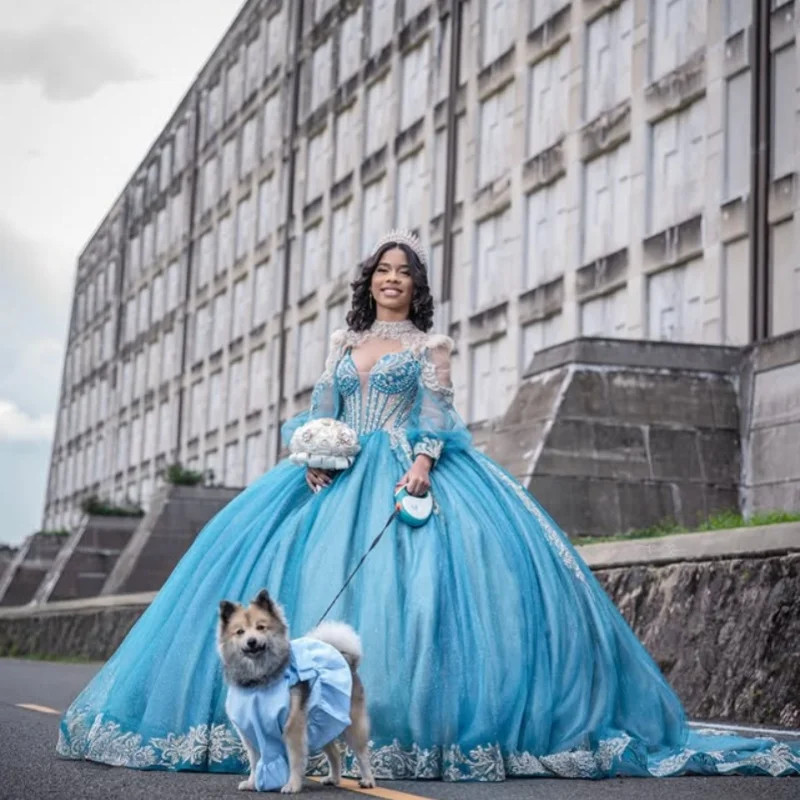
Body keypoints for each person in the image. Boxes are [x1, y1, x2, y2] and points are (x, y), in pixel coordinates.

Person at [58, 229, 800, 781]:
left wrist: (418, 464)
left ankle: (401, 730)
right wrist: (314, 457)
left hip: (408, 473)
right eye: (382, 270)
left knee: (426, 605)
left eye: (403, 272)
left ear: (417, 286)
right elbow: (318, 409)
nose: (391, 280)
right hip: (331, 477)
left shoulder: (431, 346)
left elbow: (440, 417)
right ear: (368, 282)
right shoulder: (342, 343)